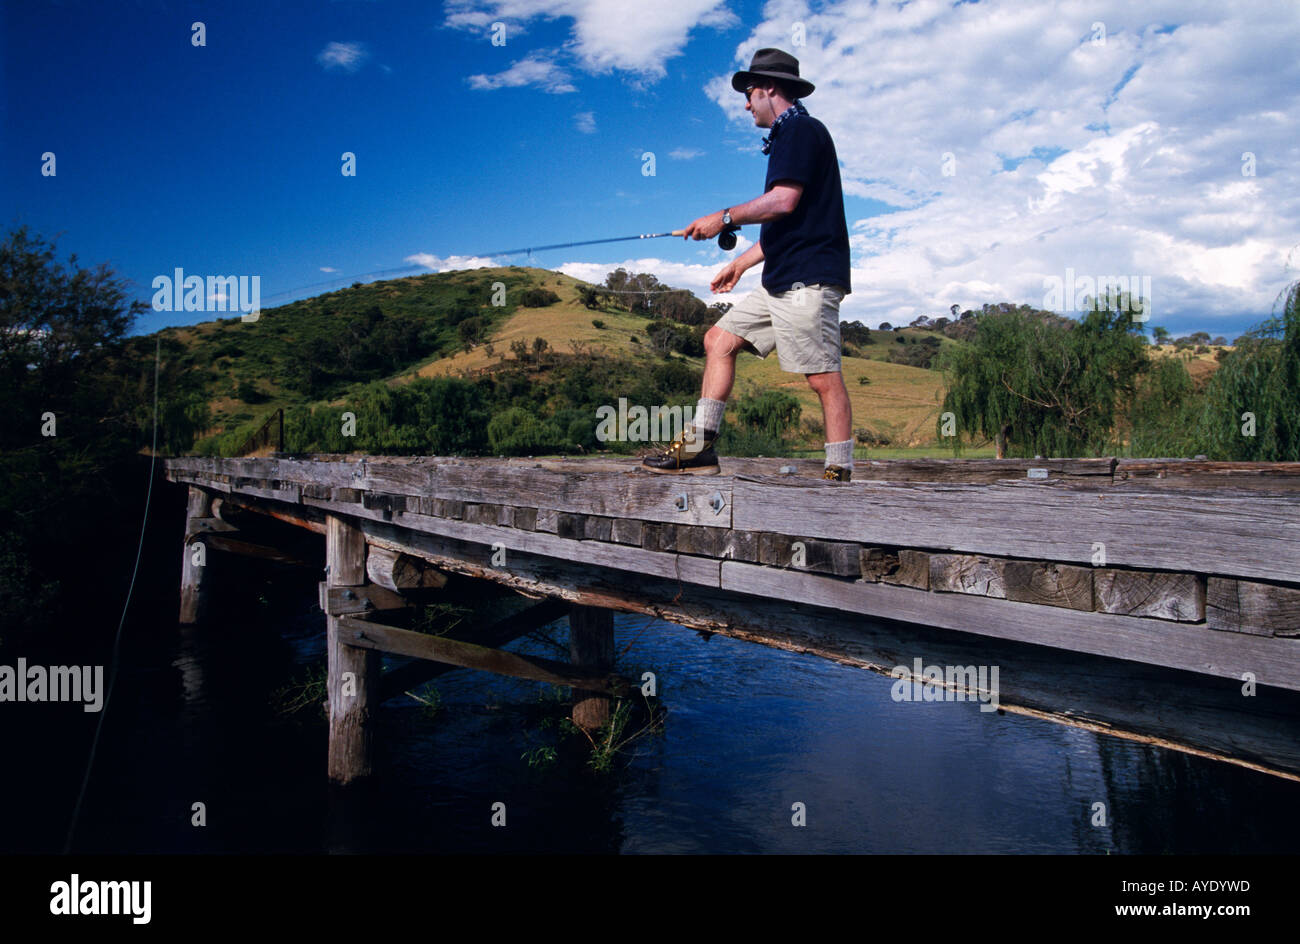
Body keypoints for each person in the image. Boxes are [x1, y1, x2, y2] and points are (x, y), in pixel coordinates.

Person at [643, 48, 854, 481]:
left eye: (750, 92)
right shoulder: (788, 135)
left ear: (770, 89)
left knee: (821, 377)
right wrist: (740, 263)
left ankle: (839, 471)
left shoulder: (801, 130)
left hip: (807, 281)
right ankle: (699, 449)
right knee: (718, 340)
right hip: (781, 278)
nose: (745, 103)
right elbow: (788, 224)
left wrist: (721, 218)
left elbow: (782, 202)